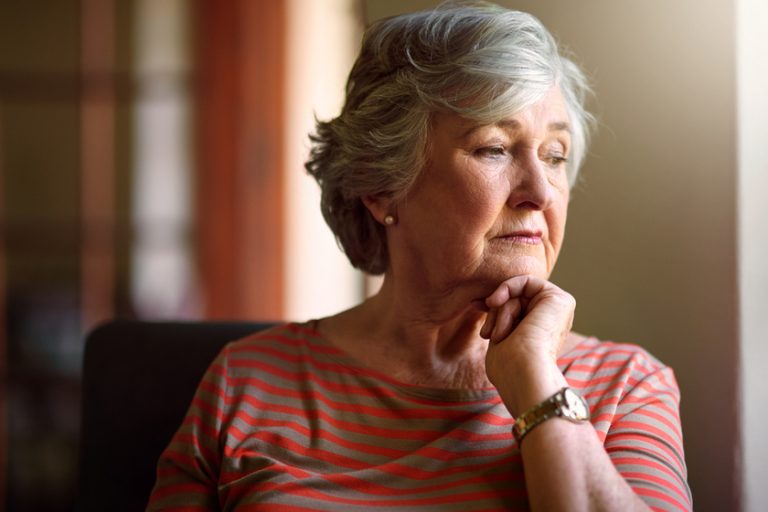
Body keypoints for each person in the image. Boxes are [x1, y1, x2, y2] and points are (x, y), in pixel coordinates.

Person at [147, 3, 691, 510]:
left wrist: (535, 381)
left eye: (555, 155)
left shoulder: (628, 387)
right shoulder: (247, 382)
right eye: (494, 148)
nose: (541, 192)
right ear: (382, 187)